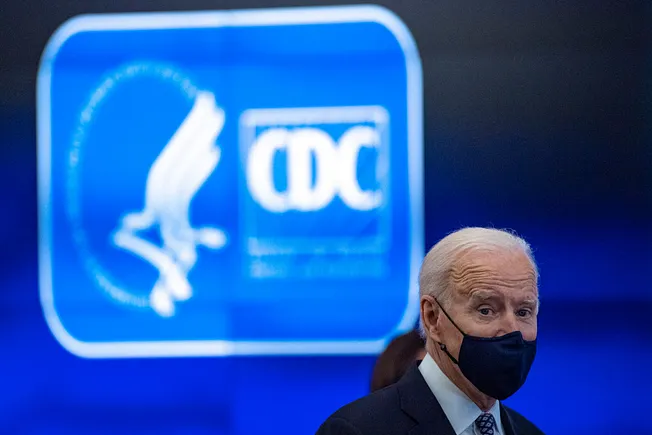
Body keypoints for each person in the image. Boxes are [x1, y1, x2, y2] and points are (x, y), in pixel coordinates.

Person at [316, 227, 544, 435]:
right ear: (432, 317)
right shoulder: (356, 430)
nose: (513, 330)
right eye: (486, 310)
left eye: (523, 312)